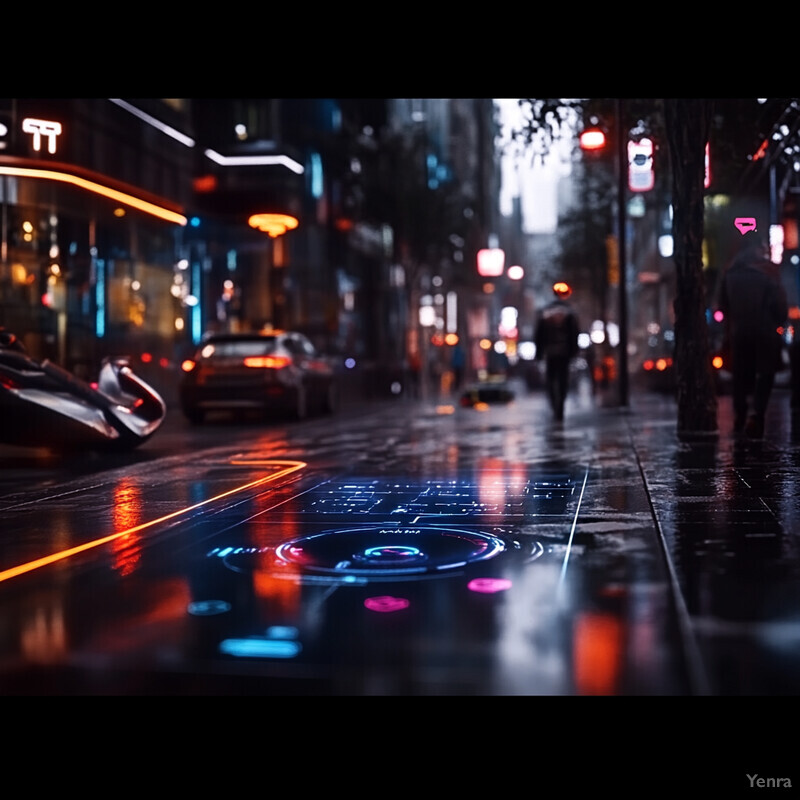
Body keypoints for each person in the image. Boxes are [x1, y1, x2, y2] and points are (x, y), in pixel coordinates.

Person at [718, 233, 788, 439]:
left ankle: (740, 415)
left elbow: (723, 305)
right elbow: (780, 307)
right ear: (759, 248)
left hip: (739, 332)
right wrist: (777, 323)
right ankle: (757, 415)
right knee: (764, 374)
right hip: (765, 332)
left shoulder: (730, 272)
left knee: (740, 375)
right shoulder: (769, 272)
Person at [535, 281, 580, 422]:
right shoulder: (569, 312)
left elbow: (539, 334)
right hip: (564, 352)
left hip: (550, 353)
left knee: (551, 380)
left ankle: (555, 406)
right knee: (563, 380)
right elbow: (575, 334)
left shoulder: (545, 312)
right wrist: (574, 351)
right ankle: (560, 406)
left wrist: (539, 352)